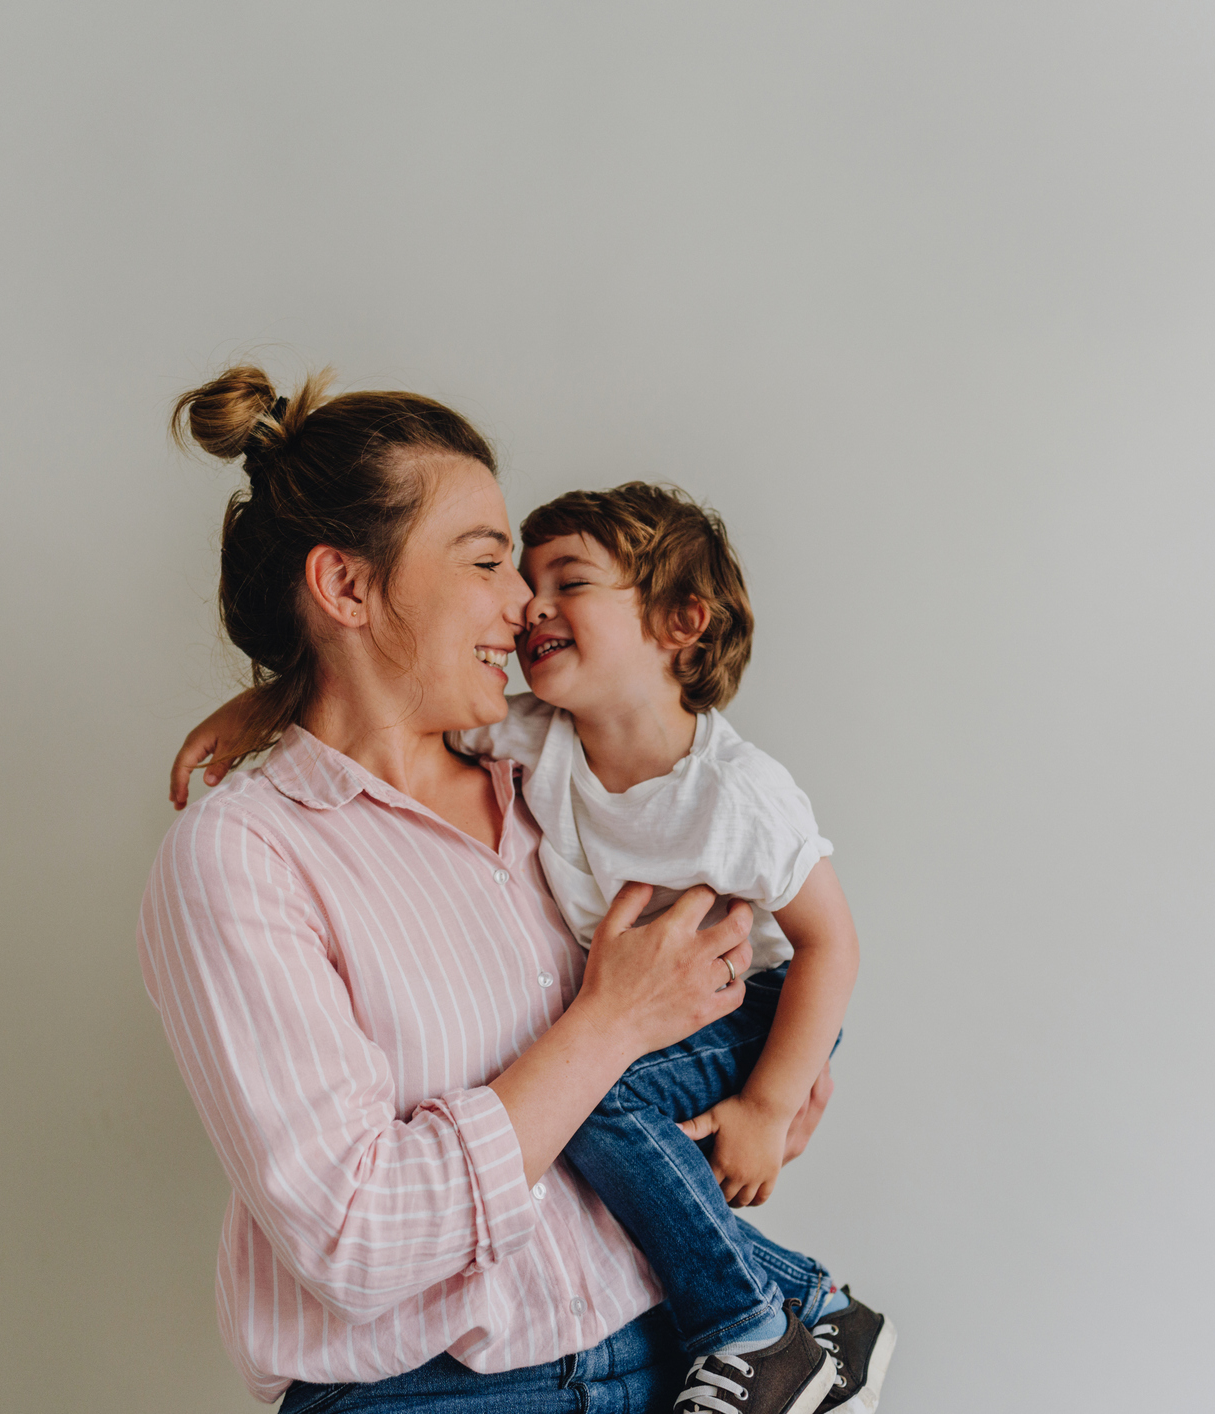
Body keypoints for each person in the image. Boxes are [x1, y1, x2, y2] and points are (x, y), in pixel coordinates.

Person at [144, 363, 846, 1414]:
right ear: (345, 587)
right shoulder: (245, 854)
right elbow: (358, 1237)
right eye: (485, 561)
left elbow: (753, 989)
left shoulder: (559, 783)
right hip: (432, 1392)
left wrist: (756, 1082)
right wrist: (611, 1024)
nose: (523, 604)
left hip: (685, 1360)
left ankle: (809, 1312)